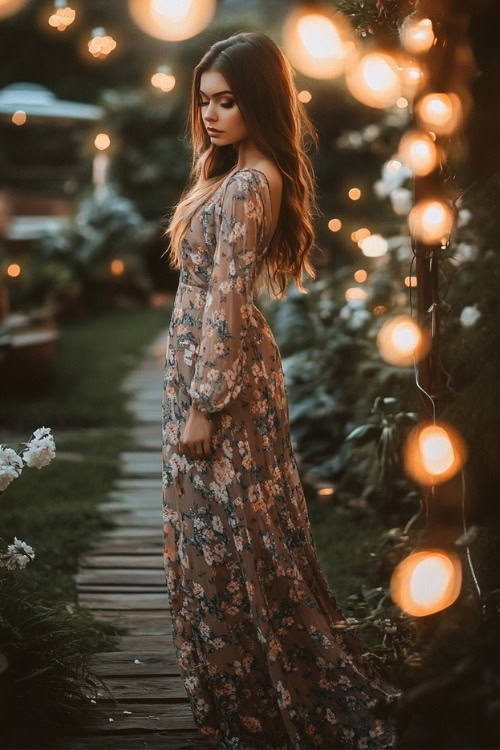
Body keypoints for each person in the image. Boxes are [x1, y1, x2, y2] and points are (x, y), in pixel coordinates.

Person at [161, 30, 401, 750]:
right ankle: (245, 694)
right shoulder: (234, 173)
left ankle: (261, 699)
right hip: (210, 370)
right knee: (221, 536)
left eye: (227, 102)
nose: (210, 115)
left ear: (259, 102)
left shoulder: (249, 183)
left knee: (234, 539)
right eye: (204, 102)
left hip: (222, 383)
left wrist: (205, 405)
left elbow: (228, 301)